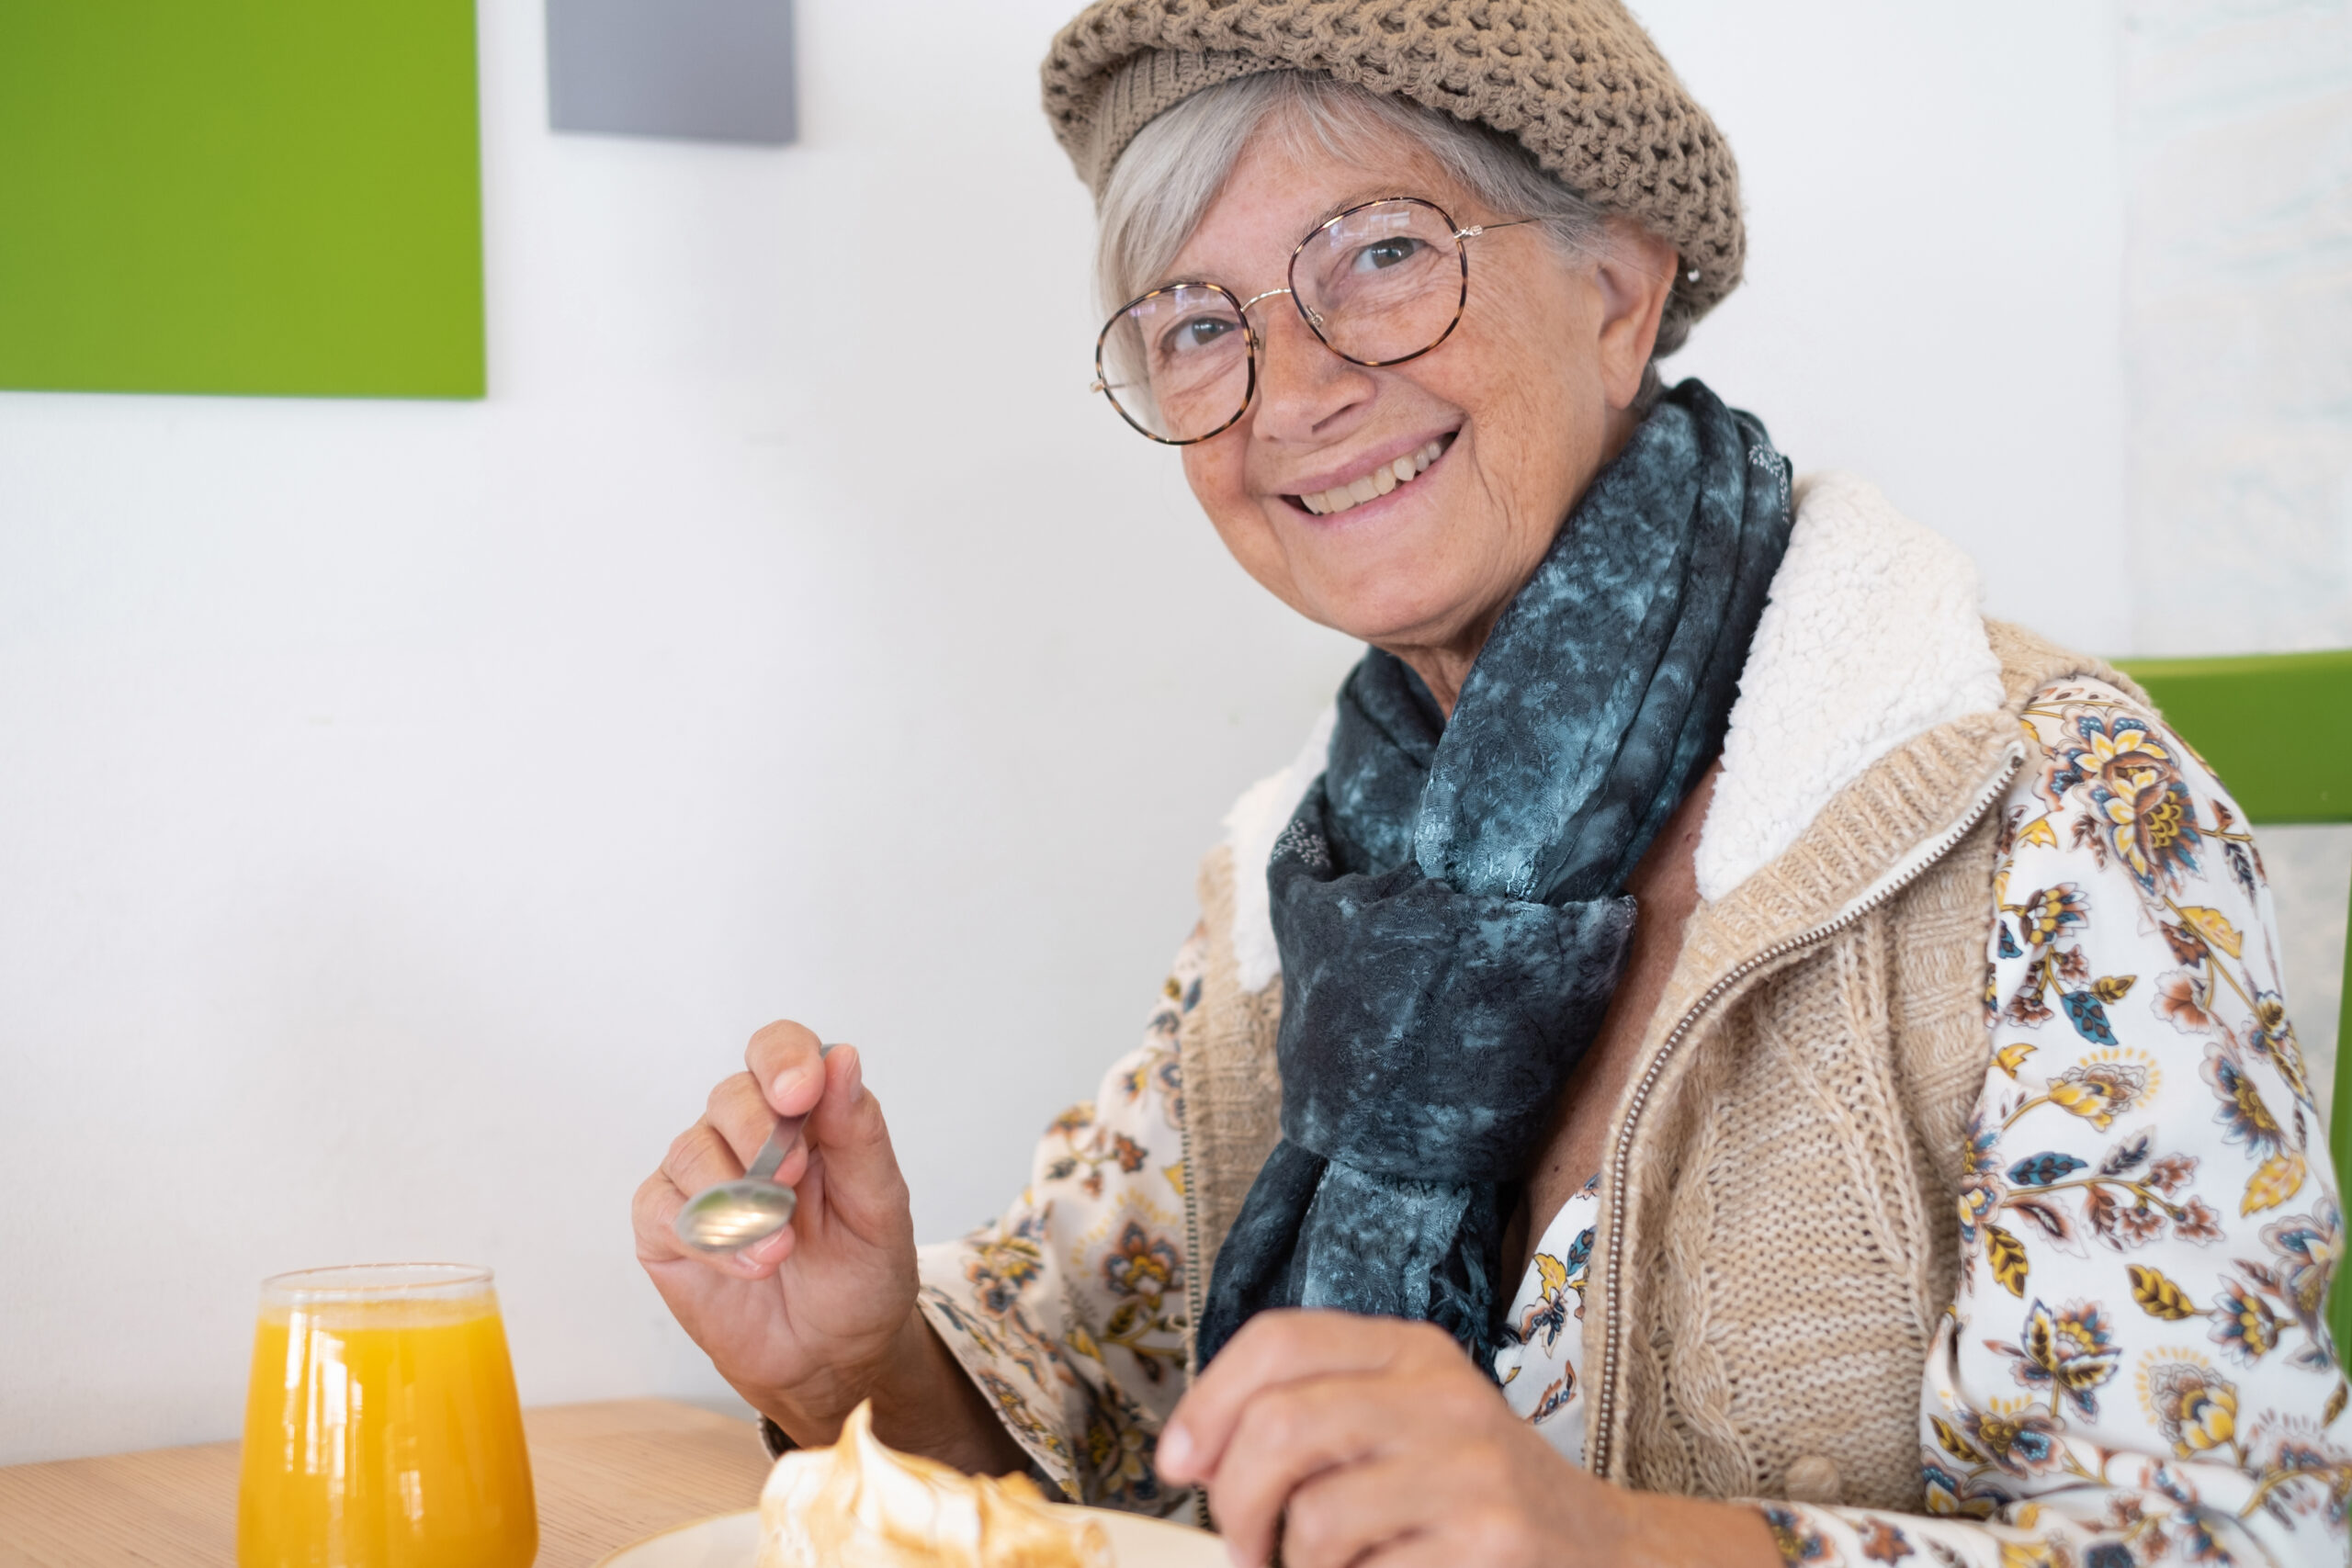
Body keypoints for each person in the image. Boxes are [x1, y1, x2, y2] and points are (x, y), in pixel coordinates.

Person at [632, 4, 2351, 1563]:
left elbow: (2231, 1536)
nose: (1292, 391)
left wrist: (1608, 1547)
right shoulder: (1307, 869)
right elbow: (1102, 1444)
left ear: (1619, 289)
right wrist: (867, 1357)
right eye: (1196, 324)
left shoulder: (2043, 803)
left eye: (1379, 254)